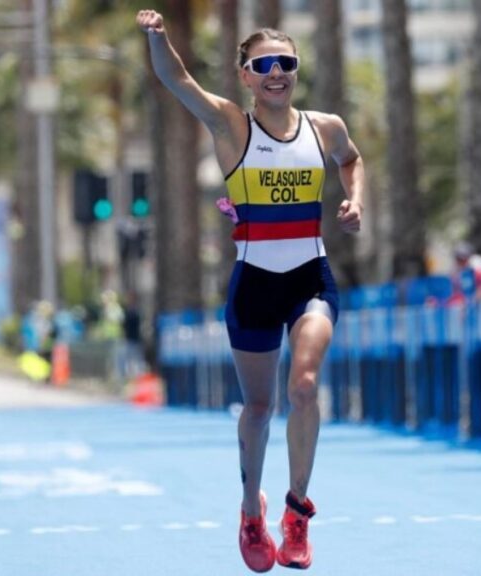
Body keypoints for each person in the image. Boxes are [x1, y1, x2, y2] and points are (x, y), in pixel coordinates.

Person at [138, 9, 364, 572]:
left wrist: (354, 199)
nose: (277, 72)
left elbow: (351, 159)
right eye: (264, 64)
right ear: (245, 75)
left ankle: (296, 513)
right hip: (253, 286)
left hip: (311, 277)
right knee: (260, 407)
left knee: (305, 386)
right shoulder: (230, 126)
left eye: (286, 63)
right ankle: (249, 509)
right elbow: (177, 82)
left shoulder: (325, 127)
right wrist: (158, 38)